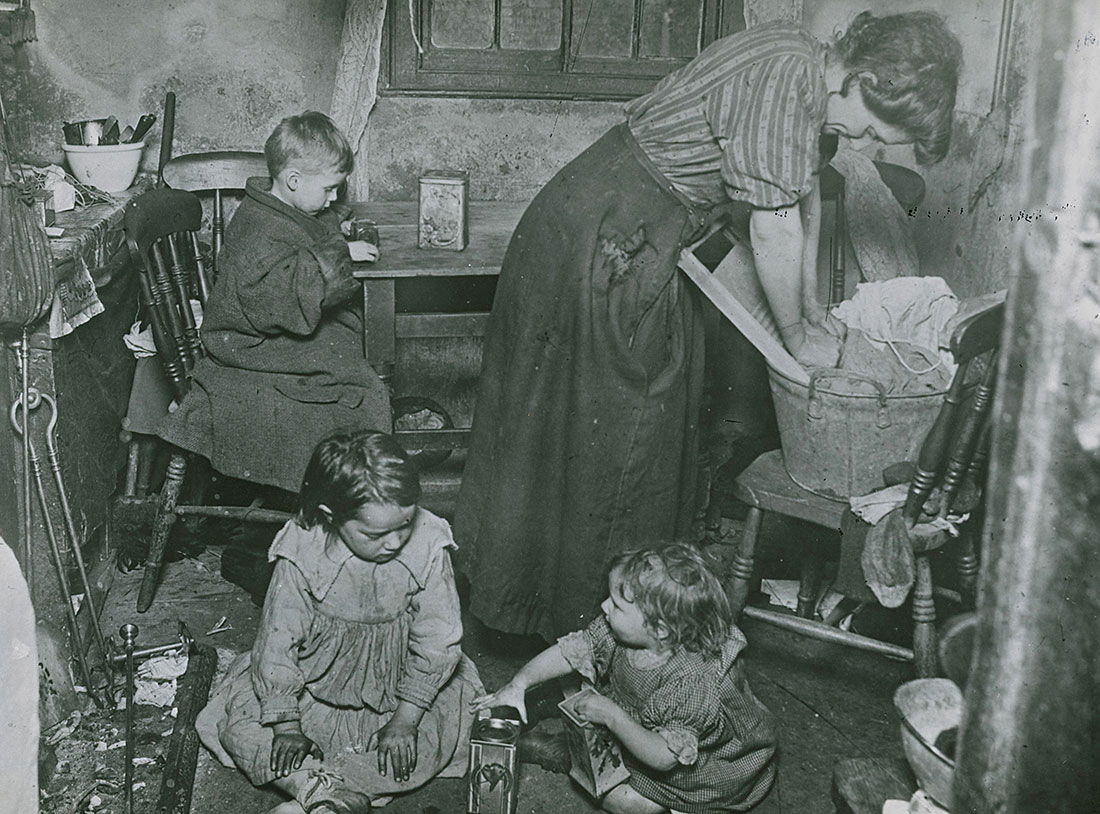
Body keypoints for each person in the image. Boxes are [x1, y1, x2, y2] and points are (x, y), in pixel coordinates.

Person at [455, 11, 962, 640]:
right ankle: (581, 626)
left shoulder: (805, 71)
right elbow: (772, 224)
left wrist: (808, 320)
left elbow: (798, 204)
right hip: (606, 237)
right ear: (864, 78)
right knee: (613, 438)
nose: (864, 144)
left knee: (635, 433)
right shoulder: (787, 73)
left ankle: (620, 624)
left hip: (638, 232)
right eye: (874, 130)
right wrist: (800, 339)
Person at [195, 430, 484, 814]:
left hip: (398, 695)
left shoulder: (428, 542)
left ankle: (324, 789)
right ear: (332, 517)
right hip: (312, 691)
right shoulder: (303, 546)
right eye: (375, 533)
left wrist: (405, 721)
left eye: (405, 524)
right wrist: (286, 727)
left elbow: (439, 642)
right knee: (238, 726)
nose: (395, 542)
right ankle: (321, 789)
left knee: (443, 731)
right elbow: (277, 644)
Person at [159, 111, 389, 501]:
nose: (334, 199)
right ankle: (345, 497)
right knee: (355, 389)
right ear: (294, 181)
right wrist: (340, 252)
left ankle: (350, 493)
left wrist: (337, 228)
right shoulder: (256, 226)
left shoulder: (285, 205)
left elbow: (305, 236)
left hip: (266, 342)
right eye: (330, 189)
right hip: (247, 349)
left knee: (353, 363)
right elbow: (274, 294)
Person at [475, 544, 776, 813]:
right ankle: (561, 718)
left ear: (660, 630)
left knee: (622, 800)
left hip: (692, 766)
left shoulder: (691, 684)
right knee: (572, 671)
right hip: (637, 712)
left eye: (617, 605)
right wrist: (519, 682)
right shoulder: (623, 630)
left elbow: (664, 758)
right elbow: (569, 652)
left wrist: (611, 715)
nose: (605, 607)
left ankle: (566, 753)